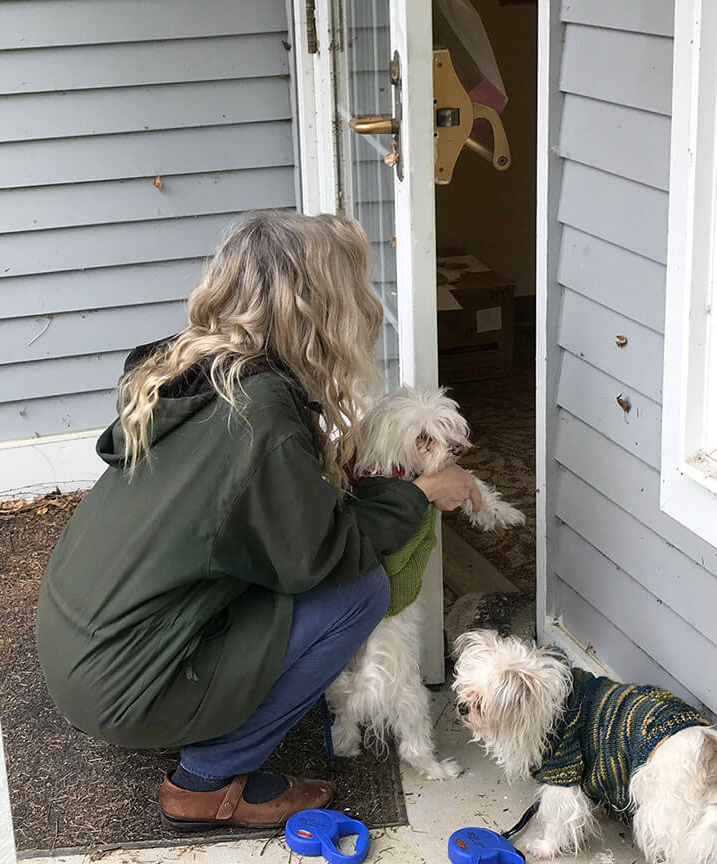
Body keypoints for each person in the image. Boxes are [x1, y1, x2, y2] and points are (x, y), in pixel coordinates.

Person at [35, 211, 482, 832]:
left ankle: (197, 711)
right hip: (125, 682)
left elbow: (254, 521)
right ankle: (207, 781)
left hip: (83, 650)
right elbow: (324, 557)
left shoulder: (198, 372)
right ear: (321, 311)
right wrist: (420, 492)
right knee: (359, 592)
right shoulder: (264, 416)